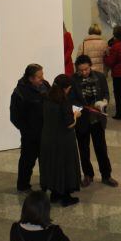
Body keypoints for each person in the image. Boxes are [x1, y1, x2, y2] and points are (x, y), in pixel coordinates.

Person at [71, 55, 117, 187]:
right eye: (81, 70)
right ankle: (88, 175)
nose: (84, 72)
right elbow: (71, 99)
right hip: (82, 119)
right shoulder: (73, 80)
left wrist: (104, 102)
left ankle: (106, 175)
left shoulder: (100, 76)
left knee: (101, 148)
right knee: (83, 149)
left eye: (86, 69)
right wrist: (80, 109)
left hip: (97, 119)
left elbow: (106, 93)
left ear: (90, 66)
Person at [39, 74, 82, 207]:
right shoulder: (63, 101)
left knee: (52, 166)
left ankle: (54, 194)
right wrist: (76, 115)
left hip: (48, 138)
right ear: (66, 88)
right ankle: (65, 196)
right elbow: (69, 124)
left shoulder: (46, 97)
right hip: (63, 140)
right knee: (65, 167)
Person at [11, 64, 49, 193]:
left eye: (42, 75)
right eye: (39, 77)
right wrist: (27, 131)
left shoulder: (46, 86)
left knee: (46, 160)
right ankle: (23, 185)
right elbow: (15, 117)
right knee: (27, 161)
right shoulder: (19, 92)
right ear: (30, 78)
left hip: (45, 132)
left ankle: (46, 184)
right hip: (30, 136)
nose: (42, 79)